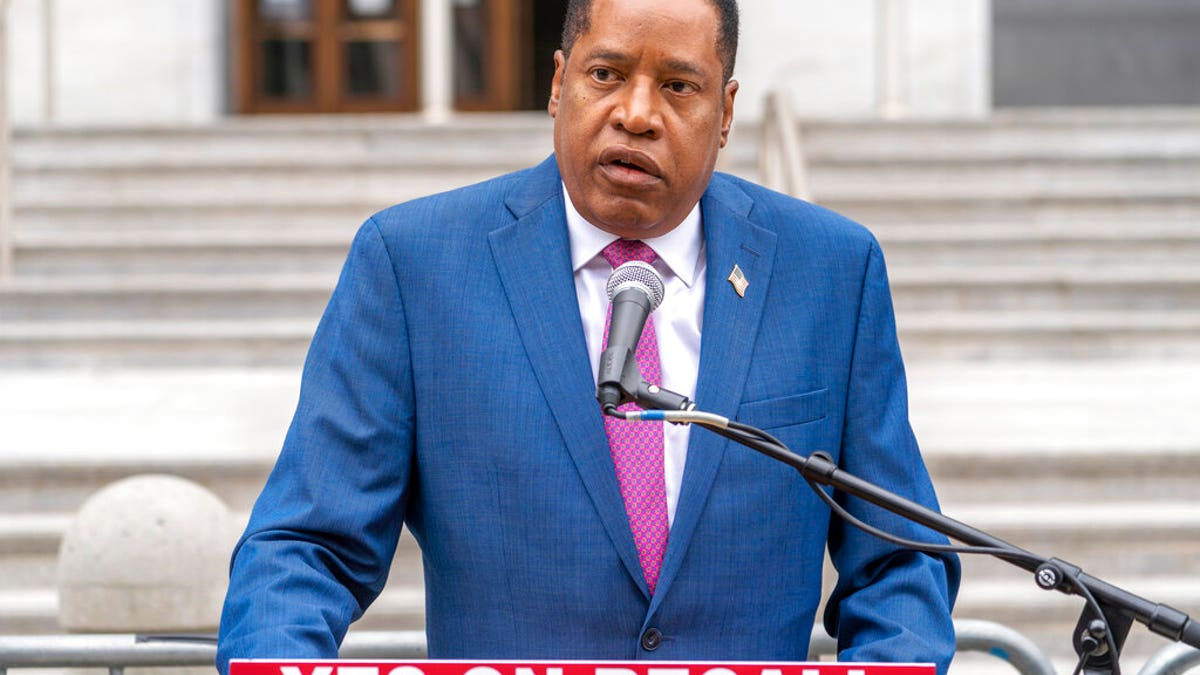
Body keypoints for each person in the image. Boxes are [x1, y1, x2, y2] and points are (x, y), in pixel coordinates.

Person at [216, 0, 960, 672]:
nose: (637, 114)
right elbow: (305, 548)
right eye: (607, 73)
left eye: (679, 86)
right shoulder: (416, 266)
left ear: (726, 113)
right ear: (558, 82)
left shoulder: (828, 270)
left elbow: (901, 560)